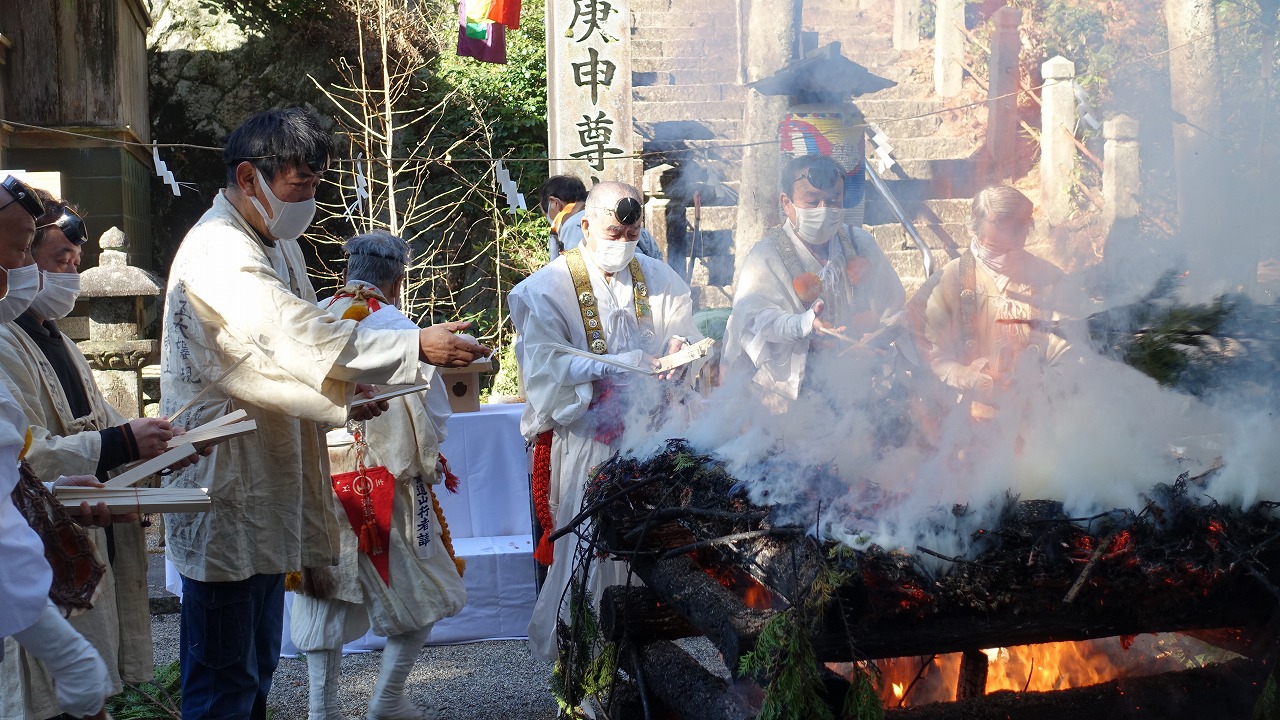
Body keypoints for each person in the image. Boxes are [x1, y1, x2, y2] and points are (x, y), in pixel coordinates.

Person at [159, 107, 489, 720]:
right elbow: (294, 333)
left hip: (267, 470)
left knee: (253, 662)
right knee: (223, 671)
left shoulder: (274, 241)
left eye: (314, 184)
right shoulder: (220, 247)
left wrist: (346, 396)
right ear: (248, 176)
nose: (307, 197)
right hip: (224, 472)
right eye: (297, 184)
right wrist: (414, 345)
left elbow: (282, 356)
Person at [0, 190, 200, 718]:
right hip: (31, 558)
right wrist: (119, 444)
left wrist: (151, 445)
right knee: (38, 694)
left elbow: (102, 421)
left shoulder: (57, 338)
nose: (69, 275)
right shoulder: (4, 340)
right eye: (49, 258)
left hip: (72, 530)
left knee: (83, 681)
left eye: (75, 263)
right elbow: (25, 457)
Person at [510, 181, 702, 662]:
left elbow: (687, 329)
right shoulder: (546, 289)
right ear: (587, 224)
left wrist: (681, 348)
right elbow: (544, 364)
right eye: (614, 232)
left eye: (632, 234)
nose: (623, 243)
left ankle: (646, 664)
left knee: (648, 556)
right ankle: (583, 675)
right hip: (588, 439)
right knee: (588, 554)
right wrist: (616, 364)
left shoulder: (660, 279)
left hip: (648, 442)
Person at [290, 231, 467, 720]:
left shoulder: (315, 321)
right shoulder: (403, 330)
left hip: (321, 483)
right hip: (391, 486)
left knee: (320, 596)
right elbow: (435, 419)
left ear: (345, 274)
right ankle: (386, 700)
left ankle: (321, 711)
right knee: (424, 592)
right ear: (398, 282)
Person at [0, 175, 112, 720]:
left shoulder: (56, 334)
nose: (26, 270)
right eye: (24, 249)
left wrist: (38, 491)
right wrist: (65, 654)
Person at [721, 154, 905, 410]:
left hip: (855, 390)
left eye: (832, 201)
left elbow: (893, 308)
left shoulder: (861, 244)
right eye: (812, 201)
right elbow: (755, 323)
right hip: (784, 401)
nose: (823, 210)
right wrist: (804, 325)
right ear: (786, 203)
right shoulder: (766, 256)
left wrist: (878, 341)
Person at [922, 184, 1076, 420]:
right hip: (969, 423)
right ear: (974, 231)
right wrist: (967, 377)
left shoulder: (1048, 280)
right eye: (994, 248)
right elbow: (929, 352)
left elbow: (1076, 346)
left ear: (1026, 233)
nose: (1004, 256)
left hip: (1041, 420)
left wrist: (1040, 385)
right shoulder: (947, 282)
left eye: (1013, 247)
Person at [541, 175, 663, 262]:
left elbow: (575, 274)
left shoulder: (574, 225)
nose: (623, 240)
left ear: (554, 203)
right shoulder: (636, 228)